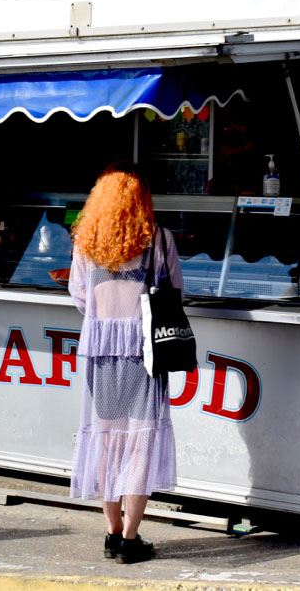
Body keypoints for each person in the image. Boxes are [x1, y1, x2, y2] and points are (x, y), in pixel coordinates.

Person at [68, 161, 182, 565]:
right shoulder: (158, 240)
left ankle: (113, 533)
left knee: (108, 439)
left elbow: (80, 297)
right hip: (145, 354)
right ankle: (132, 540)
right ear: (142, 200)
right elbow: (175, 293)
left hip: (100, 355)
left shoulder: (86, 243)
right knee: (140, 443)